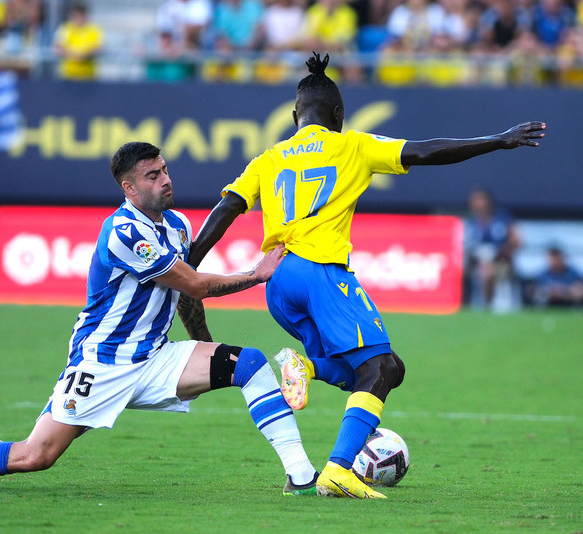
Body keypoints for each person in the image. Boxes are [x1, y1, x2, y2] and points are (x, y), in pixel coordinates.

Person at [178, 52, 546, 499]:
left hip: (277, 283)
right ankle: (338, 470)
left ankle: (305, 367)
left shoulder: (268, 159)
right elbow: (429, 151)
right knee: (383, 366)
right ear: (338, 115)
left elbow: (227, 208)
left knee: (379, 372)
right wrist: (499, 140)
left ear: (295, 117)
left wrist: (191, 261)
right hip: (320, 273)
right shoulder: (352, 144)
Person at [0, 141, 320, 497]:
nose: (165, 179)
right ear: (129, 187)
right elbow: (196, 284)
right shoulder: (124, 232)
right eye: (152, 175)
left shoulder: (178, 225)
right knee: (35, 455)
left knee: (252, 365)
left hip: (156, 358)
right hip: (101, 364)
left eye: (164, 170)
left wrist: (204, 344)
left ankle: (301, 476)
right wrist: (256, 275)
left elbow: (186, 297)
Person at [464, 186, 521, 310]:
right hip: (476, 262)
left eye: (480, 199)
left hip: (500, 262)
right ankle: (463, 304)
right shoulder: (471, 222)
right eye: (474, 200)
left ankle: (487, 305)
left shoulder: (502, 218)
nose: (477, 203)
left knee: (487, 271)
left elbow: (518, 241)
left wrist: (503, 250)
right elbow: (465, 245)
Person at [53, 3, 103, 80]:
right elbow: (57, 48)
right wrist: (75, 55)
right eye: (76, 16)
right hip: (68, 75)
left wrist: (82, 55)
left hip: (88, 76)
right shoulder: (65, 29)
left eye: (81, 16)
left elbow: (99, 49)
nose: (78, 19)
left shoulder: (93, 30)